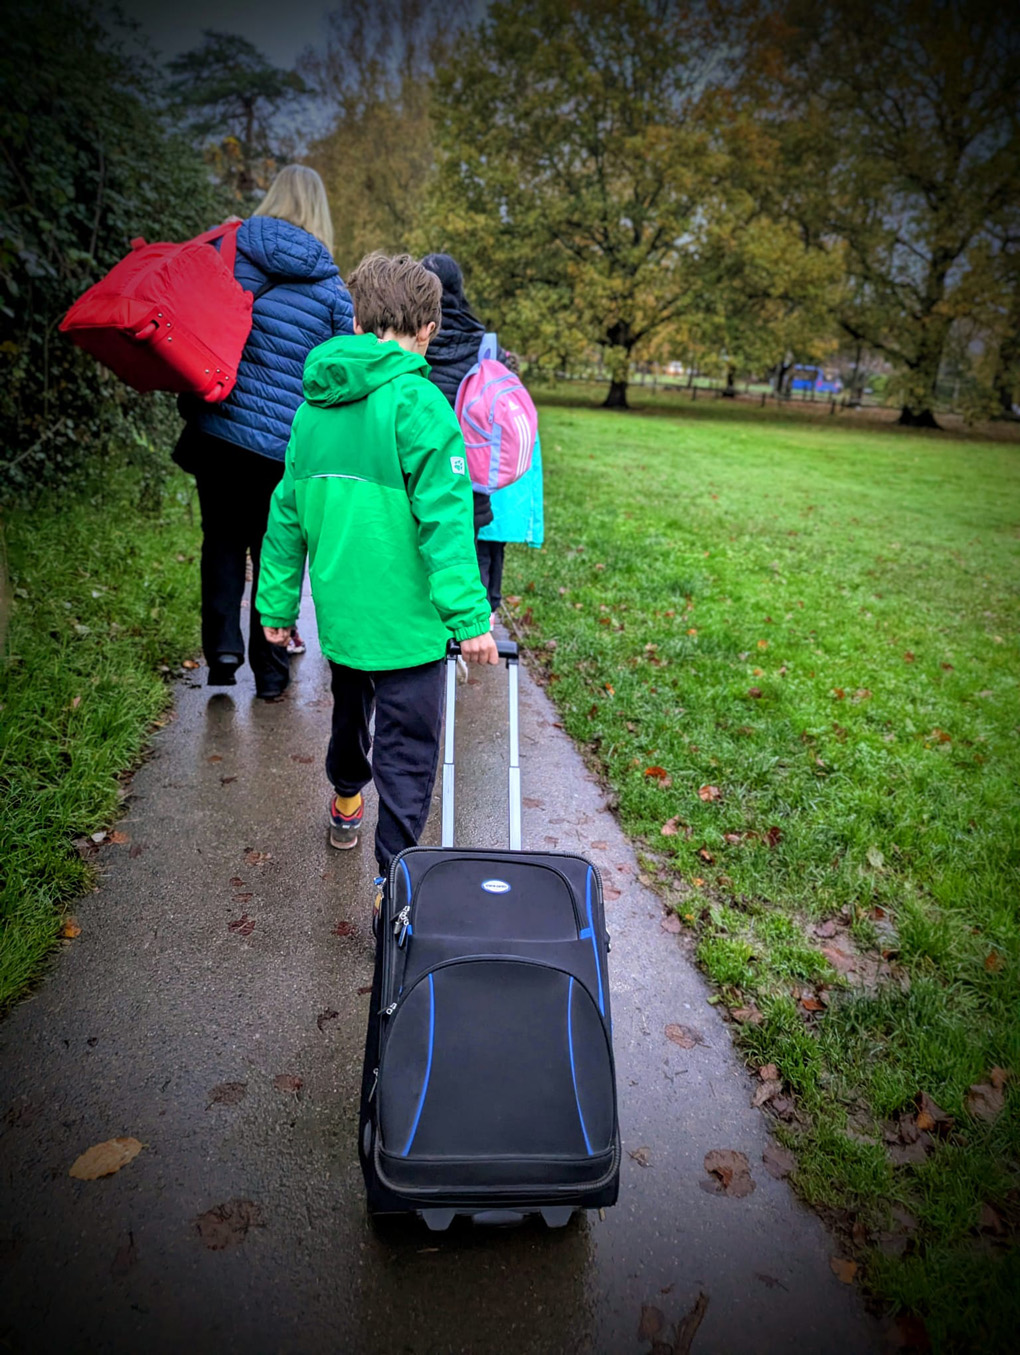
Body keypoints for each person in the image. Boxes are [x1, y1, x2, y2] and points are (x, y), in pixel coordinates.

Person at [256, 253, 498, 903]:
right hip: (408, 626)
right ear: (428, 329)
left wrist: (276, 603)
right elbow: (446, 524)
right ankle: (392, 886)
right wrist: (470, 618)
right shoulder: (420, 405)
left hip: (343, 615)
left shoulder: (314, 409)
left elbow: (285, 516)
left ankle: (344, 800)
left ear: (359, 320)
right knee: (409, 750)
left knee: (350, 709)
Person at [173, 165, 354, 699]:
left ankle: (223, 653)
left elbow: (183, 303)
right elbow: (338, 375)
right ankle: (271, 676)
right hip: (282, 448)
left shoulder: (227, 252)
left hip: (219, 432)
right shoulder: (332, 287)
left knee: (222, 541)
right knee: (276, 553)